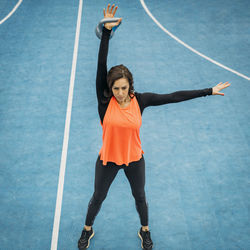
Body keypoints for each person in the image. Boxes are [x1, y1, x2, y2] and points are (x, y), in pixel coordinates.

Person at [78, 4, 231, 250]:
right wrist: (106, 33)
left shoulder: (142, 100)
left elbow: (173, 96)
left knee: (140, 198)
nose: (119, 92)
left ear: (130, 86)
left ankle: (145, 230)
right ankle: (87, 230)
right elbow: (101, 64)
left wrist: (208, 91)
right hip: (108, 160)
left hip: (135, 159)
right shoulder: (105, 102)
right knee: (98, 197)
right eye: (115, 88)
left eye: (123, 88)